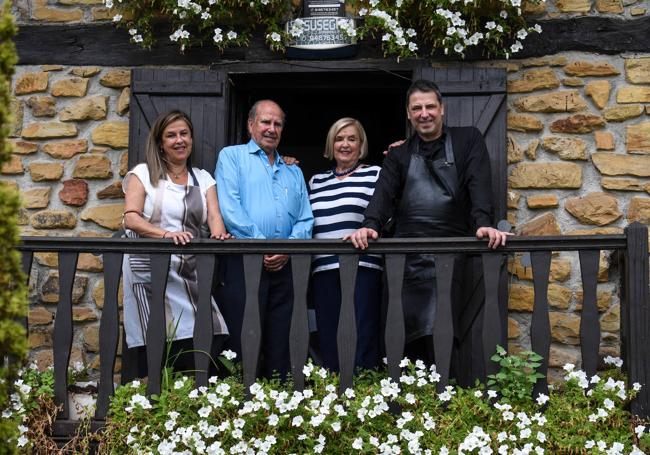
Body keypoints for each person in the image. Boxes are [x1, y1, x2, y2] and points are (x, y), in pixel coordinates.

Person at [345, 79, 511, 362]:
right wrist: (369, 225)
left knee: (442, 334)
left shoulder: (467, 139)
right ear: (408, 114)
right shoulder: (399, 154)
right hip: (405, 258)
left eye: (430, 106)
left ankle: (443, 400)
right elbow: (383, 194)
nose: (424, 113)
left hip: (448, 252)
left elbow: (479, 184)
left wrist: (483, 222)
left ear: (442, 109)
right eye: (417, 108)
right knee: (402, 338)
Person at [121, 109, 229, 377]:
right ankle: (155, 399)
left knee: (210, 331)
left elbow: (215, 217)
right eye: (171, 135)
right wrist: (165, 235)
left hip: (189, 271)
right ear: (160, 142)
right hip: (150, 269)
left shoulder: (203, 179)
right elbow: (131, 218)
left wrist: (219, 235)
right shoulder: (143, 173)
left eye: (184, 134)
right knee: (156, 337)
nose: (179, 140)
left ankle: (188, 396)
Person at [215, 100, 314, 379]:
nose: (271, 129)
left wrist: (287, 248)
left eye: (277, 124)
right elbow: (230, 209)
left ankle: (278, 406)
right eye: (265, 122)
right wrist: (264, 245)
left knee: (281, 341)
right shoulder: (232, 157)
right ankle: (235, 404)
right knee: (241, 338)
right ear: (250, 124)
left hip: (286, 265)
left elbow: (306, 219)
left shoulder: (293, 171)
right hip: (244, 261)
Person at [308, 117, 382, 372]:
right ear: (331, 143)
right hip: (324, 269)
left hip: (363, 265)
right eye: (339, 138)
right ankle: (332, 393)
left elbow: (386, 213)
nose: (345, 144)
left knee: (362, 331)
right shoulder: (316, 181)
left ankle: (365, 395)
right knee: (329, 332)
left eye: (352, 138)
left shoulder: (375, 174)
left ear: (361, 144)